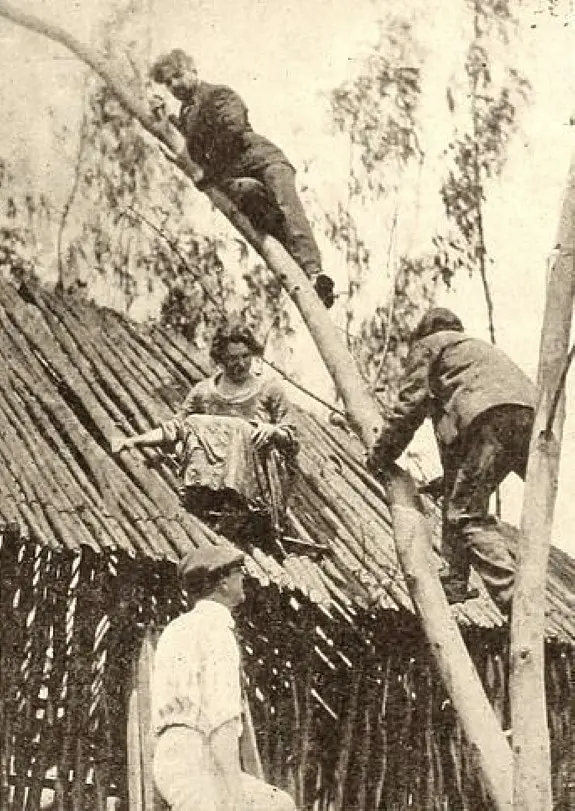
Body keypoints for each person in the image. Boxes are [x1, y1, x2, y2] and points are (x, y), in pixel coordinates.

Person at [366, 307, 536, 612]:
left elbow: (409, 407)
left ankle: (516, 599)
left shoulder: (430, 345)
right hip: (530, 420)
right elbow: (458, 461)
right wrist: (446, 484)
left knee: (467, 515)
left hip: (489, 418)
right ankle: (456, 579)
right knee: (463, 500)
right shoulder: (473, 353)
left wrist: (381, 455)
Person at [149, 48, 335, 309]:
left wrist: (208, 172)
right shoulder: (187, 115)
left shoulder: (218, 94)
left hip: (262, 160)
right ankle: (303, 273)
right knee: (258, 207)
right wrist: (165, 119)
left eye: (177, 76)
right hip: (234, 176)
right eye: (168, 83)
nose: (174, 85)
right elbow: (192, 142)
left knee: (288, 207)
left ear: (193, 70)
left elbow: (231, 130)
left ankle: (315, 274)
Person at [112, 323, 299, 549]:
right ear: (220, 358)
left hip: (257, 481)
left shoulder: (269, 389)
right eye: (232, 358)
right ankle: (200, 494)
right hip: (211, 477)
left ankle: (237, 505)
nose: (240, 364)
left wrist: (272, 430)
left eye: (245, 356)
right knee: (196, 422)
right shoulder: (204, 391)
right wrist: (133, 441)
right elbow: (177, 428)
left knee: (240, 429)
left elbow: (292, 438)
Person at [152, 544, 296, 811]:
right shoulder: (217, 632)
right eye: (238, 573)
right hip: (198, 761)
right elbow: (222, 722)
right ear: (222, 583)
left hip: (171, 761)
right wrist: (235, 794)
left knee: (279, 804)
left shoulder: (175, 629)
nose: (243, 579)